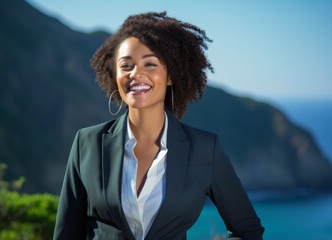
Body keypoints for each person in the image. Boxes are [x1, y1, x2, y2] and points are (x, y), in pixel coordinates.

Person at [53, 11, 264, 240]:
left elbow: (247, 231)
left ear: (170, 76)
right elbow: (66, 233)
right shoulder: (87, 143)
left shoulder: (205, 149)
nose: (136, 74)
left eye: (150, 64)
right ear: (115, 75)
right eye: (126, 65)